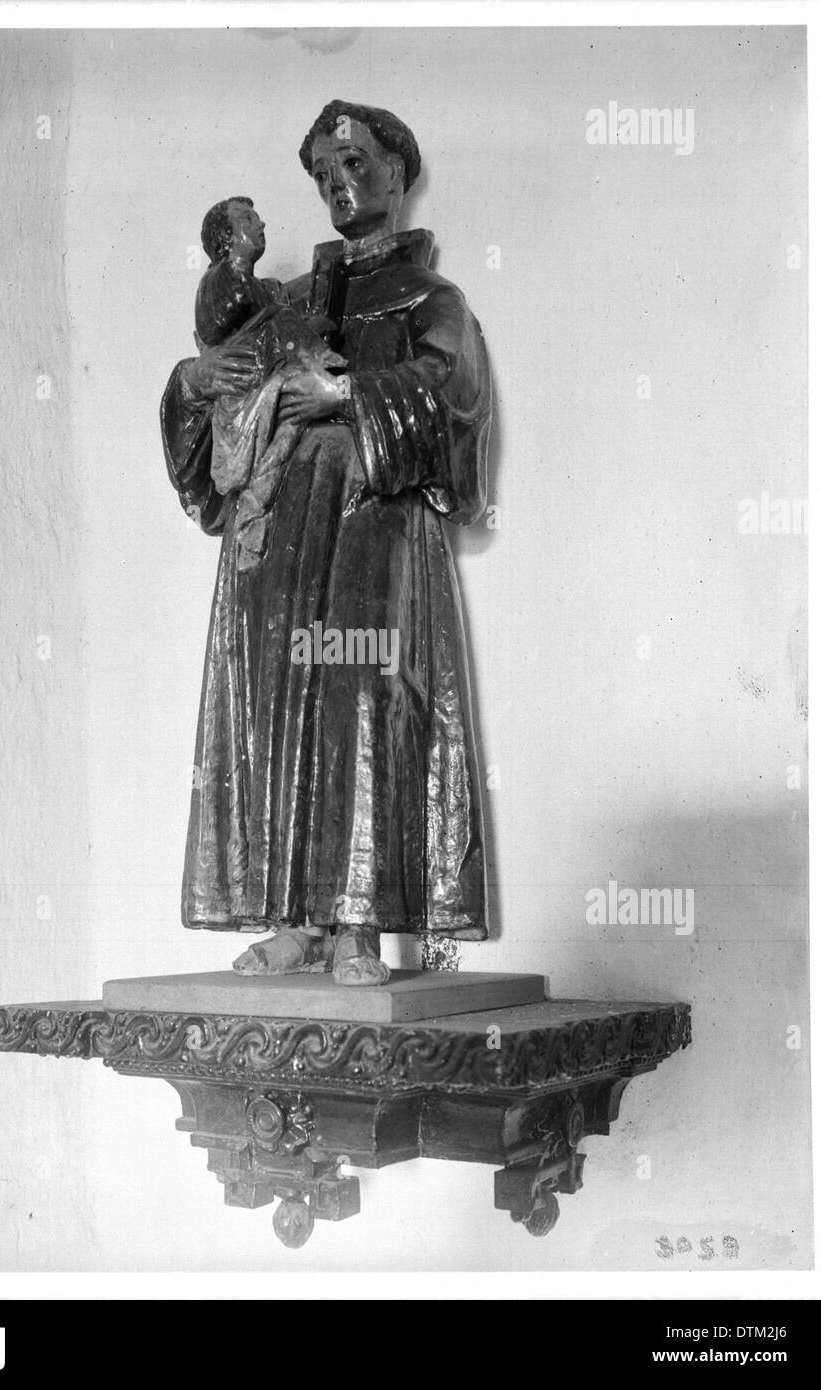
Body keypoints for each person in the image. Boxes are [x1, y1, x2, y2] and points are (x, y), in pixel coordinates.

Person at [161, 100, 492, 985]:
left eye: (354, 165)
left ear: (395, 172)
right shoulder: (291, 303)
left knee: (363, 697)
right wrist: (195, 381)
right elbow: (217, 401)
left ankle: (358, 924)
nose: (339, 186)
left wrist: (346, 400)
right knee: (278, 701)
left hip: (373, 523)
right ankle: (295, 919)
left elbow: (451, 392)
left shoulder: (430, 297)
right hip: (281, 532)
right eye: (323, 174)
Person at [194, 195, 347, 572]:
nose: (260, 224)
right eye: (247, 219)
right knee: (287, 329)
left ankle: (255, 508)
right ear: (225, 239)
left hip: (270, 381)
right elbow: (227, 324)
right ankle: (318, 357)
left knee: (294, 415)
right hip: (244, 386)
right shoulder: (222, 279)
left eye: (258, 216)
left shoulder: (264, 289)